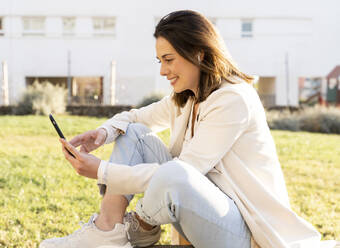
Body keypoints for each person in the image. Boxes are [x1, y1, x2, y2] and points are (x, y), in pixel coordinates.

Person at [40, 10, 336, 248]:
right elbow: (133, 119)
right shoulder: (187, 97)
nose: (162, 70)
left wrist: (102, 170)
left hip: (245, 234)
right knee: (134, 135)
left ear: (200, 54)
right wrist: (103, 133)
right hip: (203, 215)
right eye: (160, 61)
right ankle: (108, 233)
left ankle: (139, 224)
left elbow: (184, 173)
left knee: (176, 173)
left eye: (169, 59)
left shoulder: (233, 99)